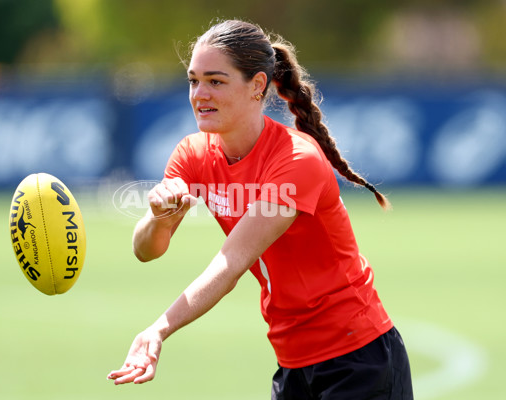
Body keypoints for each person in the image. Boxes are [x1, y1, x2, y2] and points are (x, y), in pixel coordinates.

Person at [108, 19, 413, 399]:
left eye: (216, 81)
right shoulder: (193, 153)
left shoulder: (296, 161)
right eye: (193, 80)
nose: (200, 94)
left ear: (257, 86)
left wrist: (158, 329)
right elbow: (147, 250)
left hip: (357, 357)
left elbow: (231, 263)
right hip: (292, 361)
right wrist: (159, 218)